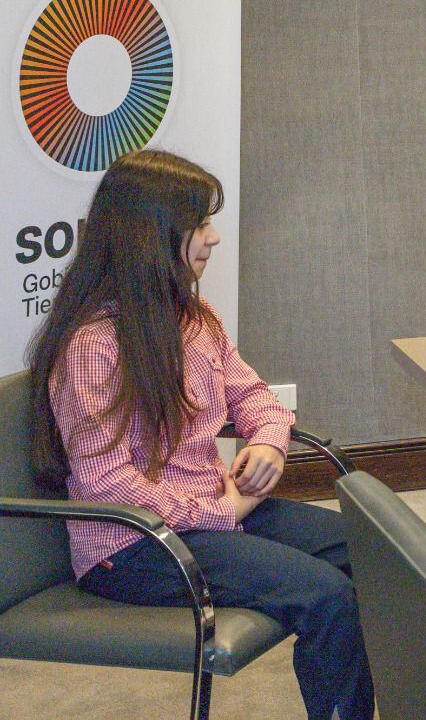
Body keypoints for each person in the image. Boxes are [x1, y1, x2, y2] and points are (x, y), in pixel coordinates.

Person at [28, 149, 374, 719]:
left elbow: (253, 396)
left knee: (373, 552)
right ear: (153, 236)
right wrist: (225, 508)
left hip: (212, 510)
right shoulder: (95, 344)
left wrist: (266, 441)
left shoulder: (193, 316)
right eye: (202, 223)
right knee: (324, 596)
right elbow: (108, 486)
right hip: (132, 544)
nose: (214, 238)